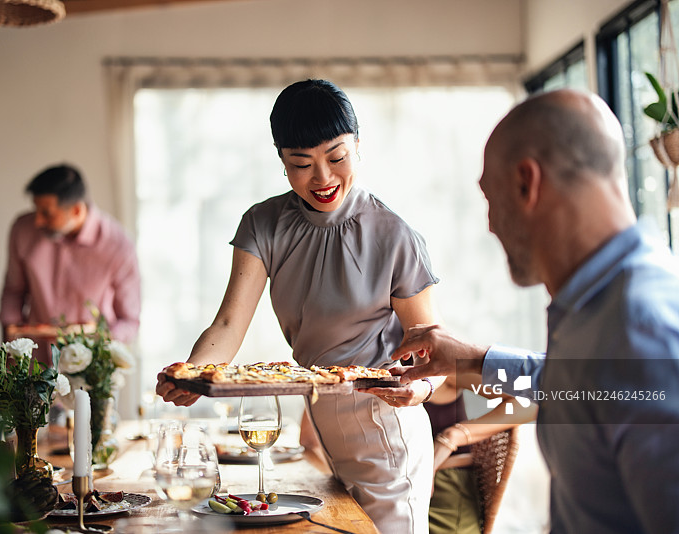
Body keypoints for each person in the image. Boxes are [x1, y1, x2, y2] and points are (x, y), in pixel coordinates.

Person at [156, 79, 443, 533]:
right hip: (320, 425)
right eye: (301, 164)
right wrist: (194, 373)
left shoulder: (393, 236)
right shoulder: (263, 223)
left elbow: (434, 352)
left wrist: (421, 390)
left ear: (358, 146)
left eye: (337, 157)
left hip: (385, 429)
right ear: (282, 162)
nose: (323, 178)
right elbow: (229, 323)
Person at [394, 89, 679, 534]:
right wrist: (472, 360)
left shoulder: (643, 326)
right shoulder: (605, 309)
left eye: (490, 198)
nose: (490, 225)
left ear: (528, 183)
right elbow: (587, 387)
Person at [0, 164, 141, 361]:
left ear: (75, 210)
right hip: (34, 363)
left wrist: (102, 345)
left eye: (46, 213)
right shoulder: (22, 230)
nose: (38, 220)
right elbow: (13, 292)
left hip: (91, 368)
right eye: (36, 210)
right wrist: (12, 346)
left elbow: (129, 320)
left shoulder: (118, 244)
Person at [425, 375, 537, 534]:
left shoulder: (434, 361)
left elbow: (530, 402)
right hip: (387, 481)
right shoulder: (380, 362)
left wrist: (454, 435)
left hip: (444, 484)